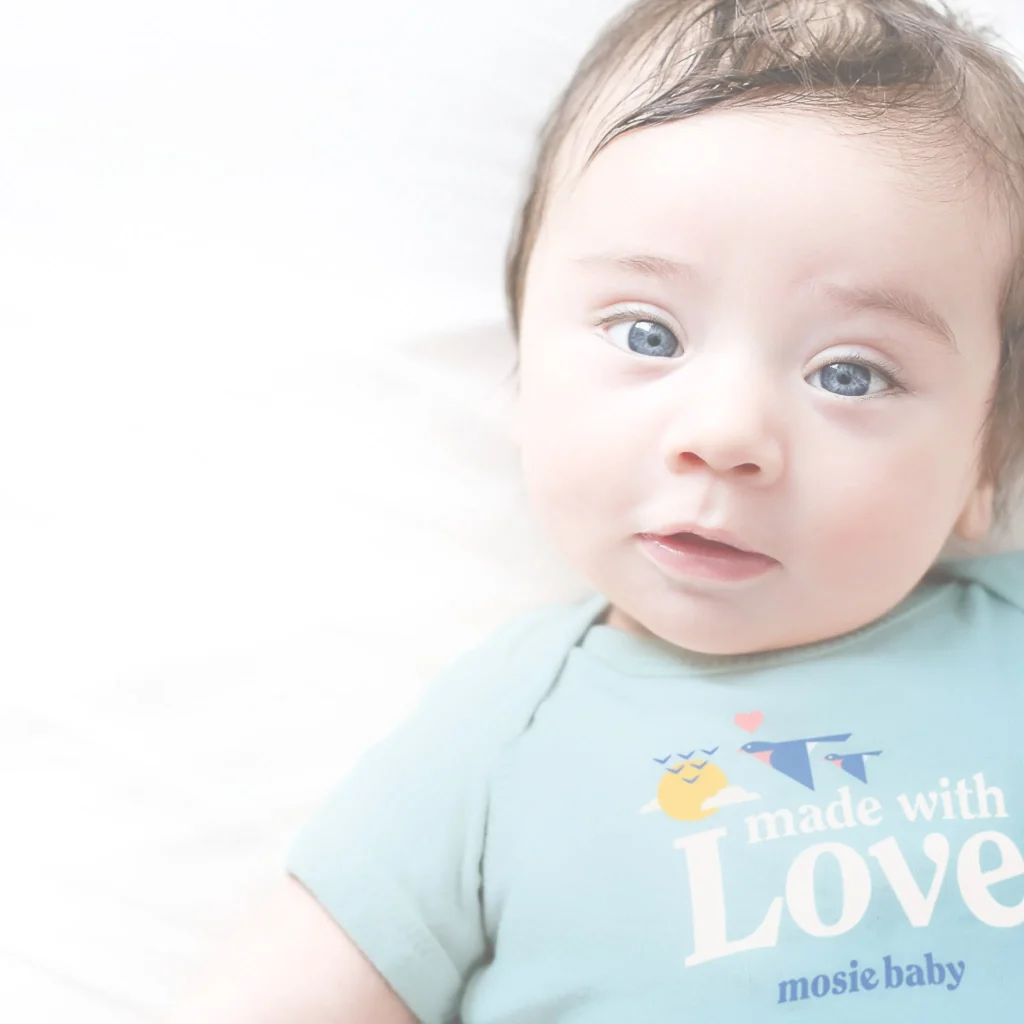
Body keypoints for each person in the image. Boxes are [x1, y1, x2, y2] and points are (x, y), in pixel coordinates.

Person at [169, 0, 1024, 1020]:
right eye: (649, 336)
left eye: (848, 372)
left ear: (985, 461)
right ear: (525, 367)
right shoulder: (494, 735)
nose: (726, 433)